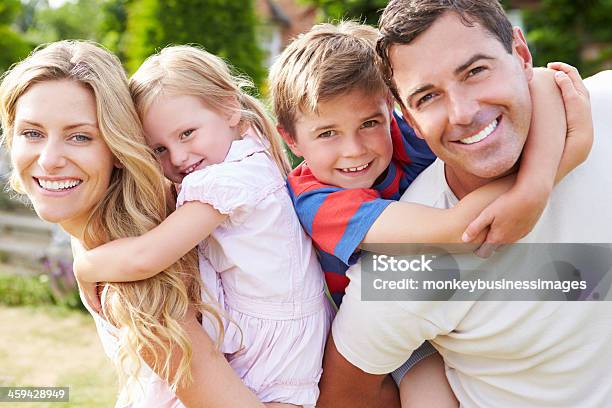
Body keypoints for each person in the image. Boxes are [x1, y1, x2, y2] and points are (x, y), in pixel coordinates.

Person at [268, 21, 592, 407]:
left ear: (391, 110)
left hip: (455, 308)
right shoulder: (317, 201)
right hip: (389, 339)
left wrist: (538, 177)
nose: (355, 150)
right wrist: (550, 171)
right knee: (428, 396)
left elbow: (538, 79)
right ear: (290, 139)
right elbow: (452, 230)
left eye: (369, 123)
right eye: (327, 134)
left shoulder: (404, 135)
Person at [0, 40, 281, 408]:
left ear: (119, 149)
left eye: (80, 136)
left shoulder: (134, 283)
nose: (50, 160)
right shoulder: (99, 227)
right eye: (32, 133)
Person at [72, 45, 334, 408]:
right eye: (158, 150)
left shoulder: (228, 180)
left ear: (228, 108)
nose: (178, 157)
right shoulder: (250, 156)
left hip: (270, 355)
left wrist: (85, 267)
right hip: (280, 349)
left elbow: (147, 256)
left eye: (187, 134)